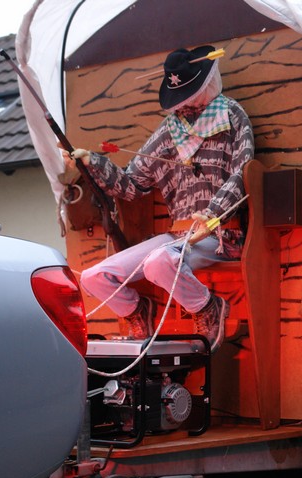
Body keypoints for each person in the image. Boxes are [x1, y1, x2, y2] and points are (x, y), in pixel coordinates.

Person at [59, 45, 254, 350]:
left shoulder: (232, 115)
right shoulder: (169, 131)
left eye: (190, 98)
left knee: (159, 262)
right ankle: (138, 311)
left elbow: (244, 172)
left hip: (222, 235)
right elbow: (131, 185)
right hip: (177, 235)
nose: (185, 107)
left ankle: (208, 307)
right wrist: (92, 163)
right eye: (181, 101)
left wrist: (213, 213)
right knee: (95, 276)